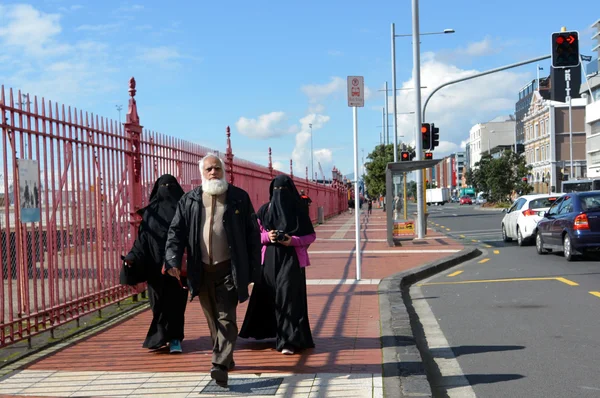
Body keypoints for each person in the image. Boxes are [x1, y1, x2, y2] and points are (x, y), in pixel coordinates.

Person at [164, 153, 261, 388]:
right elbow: (175, 232)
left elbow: (252, 235)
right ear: (201, 173)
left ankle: (219, 364)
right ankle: (226, 356)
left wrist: (254, 271)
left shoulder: (239, 198)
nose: (213, 172)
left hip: (229, 268)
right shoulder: (190, 200)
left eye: (217, 168)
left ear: (223, 171)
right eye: (208, 169)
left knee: (226, 317)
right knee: (212, 319)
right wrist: (172, 260)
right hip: (201, 269)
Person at [239, 174, 316, 355]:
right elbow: (252, 235)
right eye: (276, 190)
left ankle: (288, 341)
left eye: (283, 190)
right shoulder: (265, 211)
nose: (279, 194)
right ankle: (273, 332)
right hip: (269, 260)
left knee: (288, 296)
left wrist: (292, 240)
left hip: (292, 259)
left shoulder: (299, 212)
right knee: (269, 295)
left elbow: (311, 236)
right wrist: (267, 237)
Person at [124, 174, 188, 354]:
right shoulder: (150, 212)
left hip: (176, 267)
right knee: (158, 303)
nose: (167, 189)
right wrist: (132, 256)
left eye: (170, 186)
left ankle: (175, 338)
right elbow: (142, 239)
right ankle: (161, 336)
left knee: (176, 304)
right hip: (154, 267)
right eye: (163, 185)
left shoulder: (184, 210)